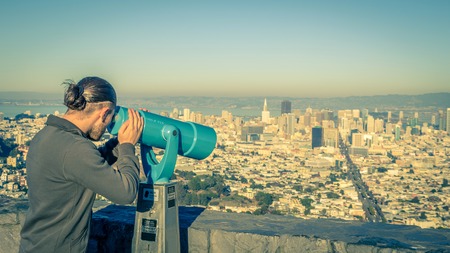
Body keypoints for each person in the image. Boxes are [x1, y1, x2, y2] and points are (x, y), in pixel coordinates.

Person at [19, 76, 144, 253]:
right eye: (112, 117)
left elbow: (87, 167)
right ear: (104, 113)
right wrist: (127, 146)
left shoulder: (48, 135)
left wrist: (121, 139)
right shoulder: (75, 148)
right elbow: (125, 193)